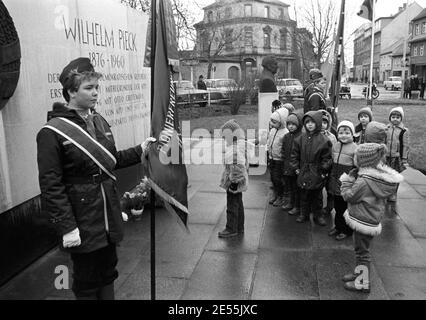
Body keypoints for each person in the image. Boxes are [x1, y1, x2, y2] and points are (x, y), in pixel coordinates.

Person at [36, 57, 156, 300]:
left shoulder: (98, 121)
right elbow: (51, 186)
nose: (95, 93)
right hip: (82, 216)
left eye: (96, 88)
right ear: (71, 91)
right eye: (88, 88)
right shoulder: (51, 132)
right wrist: (67, 226)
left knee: (108, 271)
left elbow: (112, 160)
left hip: (107, 211)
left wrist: (141, 148)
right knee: (87, 279)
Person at [340, 143, 403, 293]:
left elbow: (349, 196)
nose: (354, 158)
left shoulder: (364, 181)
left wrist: (346, 182)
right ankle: (359, 273)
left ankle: (362, 283)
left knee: (362, 252)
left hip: (363, 219)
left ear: (363, 160)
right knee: (361, 250)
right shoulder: (377, 177)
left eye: (356, 156)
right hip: (370, 218)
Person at [291, 110, 332, 226]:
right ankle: (304, 213)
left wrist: (323, 170)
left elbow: (327, 158)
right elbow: (294, 155)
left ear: (318, 123)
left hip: (316, 172)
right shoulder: (300, 139)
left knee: (317, 196)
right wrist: (296, 168)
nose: (310, 124)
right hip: (303, 170)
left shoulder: (324, 140)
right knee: (304, 195)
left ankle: (318, 215)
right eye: (307, 122)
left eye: (313, 122)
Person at [218, 119, 249, 238]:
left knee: (232, 205)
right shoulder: (236, 146)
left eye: (225, 136)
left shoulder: (234, 150)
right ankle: (239, 227)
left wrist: (234, 184)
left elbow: (236, 168)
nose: (224, 139)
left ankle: (231, 228)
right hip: (236, 181)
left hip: (234, 182)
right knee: (238, 204)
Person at [328, 121, 357, 241]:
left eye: (347, 132)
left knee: (346, 209)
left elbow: (357, 167)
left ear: (352, 134)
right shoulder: (335, 146)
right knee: (337, 207)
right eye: (341, 132)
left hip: (346, 184)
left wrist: (352, 180)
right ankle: (338, 227)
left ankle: (346, 230)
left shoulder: (355, 148)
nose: (343, 135)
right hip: (335, 181)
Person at [385, 107, 410, 214]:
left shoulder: (404, 131)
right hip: (387, 156)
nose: (395, 119)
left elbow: (406, 145)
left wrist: (404, 158)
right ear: (390, 118)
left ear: (401, 118)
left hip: (397, 156)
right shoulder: (387, 128)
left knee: (395, 176)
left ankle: (393, 193)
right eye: (393, 117)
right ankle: (386, 192)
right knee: (386, 175)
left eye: (397, 117)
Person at [281, 111, 304, 215]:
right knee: (288, 186)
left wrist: (298, 167)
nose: (291, 127)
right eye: (289, 124)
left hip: (296, 168)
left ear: (298, 125)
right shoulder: (286, 137)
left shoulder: (301, 137)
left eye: (293, 124)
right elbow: (283, 150)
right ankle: (290, 202)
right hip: (287, 166)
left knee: (296, 188)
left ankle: (296, 206)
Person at [267, 108, 289, 207]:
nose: (272, 124)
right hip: (272, 158)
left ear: (282, 122)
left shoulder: (285, 133)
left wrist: (283, 158)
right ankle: (276, 194)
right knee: (272, 178)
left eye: (275, 122)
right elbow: (269, 141)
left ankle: (281, 196)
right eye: (271, 121)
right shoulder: (272, 130)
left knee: (278, 179)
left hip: (279, 160)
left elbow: (285, 147)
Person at [321, 110, 337, 219]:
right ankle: (316, 206)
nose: (322, 125)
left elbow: (334, 152)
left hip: (329, 165)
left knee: (329, 188)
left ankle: (329, 207)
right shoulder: (313, 135)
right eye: (320, 122)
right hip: (317, 165)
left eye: (325, 122)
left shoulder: (331, 137)